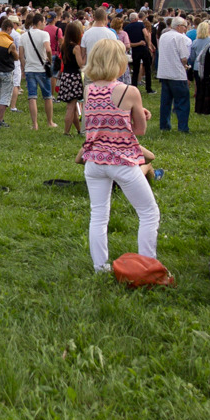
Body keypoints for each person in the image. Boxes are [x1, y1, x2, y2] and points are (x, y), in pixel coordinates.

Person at [80, 38, 160, 272]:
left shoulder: (89, 90)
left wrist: (132, 113)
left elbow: (99, 120)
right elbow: (139, 130)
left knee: (99, 214)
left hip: (94, 161)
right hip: (122, 161)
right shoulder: (130, 91)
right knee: (148, 212)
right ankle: (148, 264)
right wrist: (142, 114)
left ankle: (100, 266)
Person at [18, 12, 56, 130]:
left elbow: (21, 54)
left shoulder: (24, 36)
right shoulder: (44, 34)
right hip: (42, 68)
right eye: (44, 22)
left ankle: (35, 124)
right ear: (39, 22)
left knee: (32, 97)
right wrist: (49, 60)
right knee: (47, 96)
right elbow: (48, 49)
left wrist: (24, 67)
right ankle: (50, 122)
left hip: (30, 69)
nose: (45, 24)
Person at [156, 16, 192, 132]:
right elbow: (184, 57)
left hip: (164, 72)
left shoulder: (164, 36)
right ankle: (183, 127)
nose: (185, 29)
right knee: (182, 101)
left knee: (165, 102)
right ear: (179, 26)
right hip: (177, 73)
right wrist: (186, 65)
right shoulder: (180, 37)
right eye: (184, 27)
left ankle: (164, 125)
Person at [58, 21, 86, 136]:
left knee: (73, 106)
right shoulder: (76, 48)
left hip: (66, 76)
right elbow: (81, 64)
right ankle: (66, 132)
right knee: (71, 107)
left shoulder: (64, 45)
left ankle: (79, 130)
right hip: (74, 77)